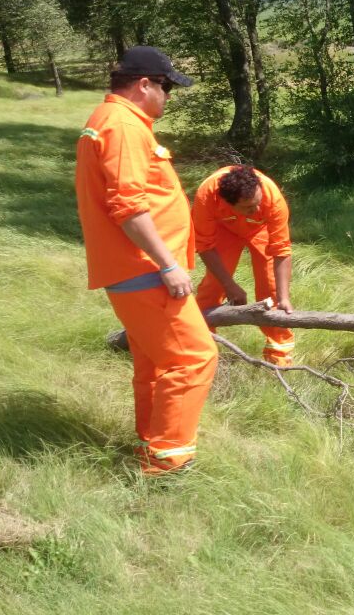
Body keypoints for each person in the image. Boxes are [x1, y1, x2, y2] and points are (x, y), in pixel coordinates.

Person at [75, 46, 217, 475]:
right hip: (146, 271)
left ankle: (150, 447)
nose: (168, 97)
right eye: (166, 86)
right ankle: (169, 464)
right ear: (144, 85)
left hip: (133, 270)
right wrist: (168, 265)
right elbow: (128, 207)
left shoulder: (111, 121)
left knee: (155, 366)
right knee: (193, 358)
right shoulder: (122, 126)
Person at [192, 165, 295, 366]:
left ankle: (279, 355)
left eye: (258, 203)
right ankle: (202, 347)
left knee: (271, 287)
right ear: (226, 202)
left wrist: (283, 298)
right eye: (249, 208)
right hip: (224, 231)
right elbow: (204, 246)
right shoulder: (207, 197)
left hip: (260, 230)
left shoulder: (272, 198)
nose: (256, 210)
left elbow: (281, 250)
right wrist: (230, 285)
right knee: (213, 287)